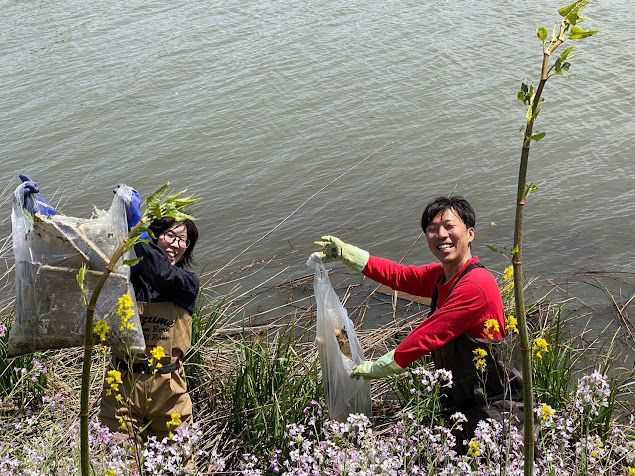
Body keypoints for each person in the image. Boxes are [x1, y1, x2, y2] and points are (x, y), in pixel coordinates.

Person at [315, 195, 523, 440]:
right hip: (464, 399)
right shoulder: (442, 276)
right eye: (432, 229)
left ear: (470, 233)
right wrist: (347, 254)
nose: (441, 235)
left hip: (495, 404)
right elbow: (400, 277)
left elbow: (428, 335)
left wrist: (377, 368)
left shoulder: (477, 284)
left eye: (449, 227)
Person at [97, 188, 200, 443]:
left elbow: (161, 274)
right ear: (153, 238)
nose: (177, 245)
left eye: (183, 240)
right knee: (119, 465)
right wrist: (45, 222)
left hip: (169, 390)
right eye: (170, 235)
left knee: (177, 463)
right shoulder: (125, 281)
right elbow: (88, 268)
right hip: (121, 385)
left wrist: (138, 230)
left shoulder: (186, 284)